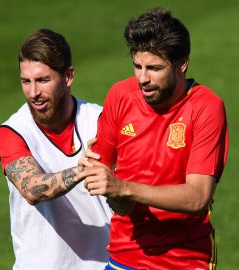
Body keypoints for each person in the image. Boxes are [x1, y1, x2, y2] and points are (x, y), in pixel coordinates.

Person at [77, 7, 229, 270]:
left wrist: (123, 188)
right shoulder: (120, 95)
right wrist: (102, 181)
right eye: (138, 66)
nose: (143, 78)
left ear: (182, 63)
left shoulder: (206, 107)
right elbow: (101, 170)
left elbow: (198, 197)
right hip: (124, 256)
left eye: (155, 68)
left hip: (185, 260)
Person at [0, 29, 112, 270]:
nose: (33, 93)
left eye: (43, 80)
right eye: (26, 81)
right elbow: (32, 188)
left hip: (105, 265)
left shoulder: (101, 121)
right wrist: (80, 171)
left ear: (68, 76)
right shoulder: (12, 132)